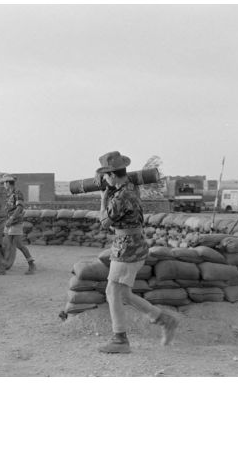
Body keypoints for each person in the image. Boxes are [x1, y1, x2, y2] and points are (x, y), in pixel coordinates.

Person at [96, 151, 179, 354]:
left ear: (113, 175)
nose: (104, 180)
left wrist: (103, 198)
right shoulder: (130, 187)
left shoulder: (121, 196)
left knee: (112, 291)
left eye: (106, 176)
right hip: (134, 245)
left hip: (127, 248)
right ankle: (164, 319)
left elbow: (104, 222)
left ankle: (120, 339)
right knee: (123, 292)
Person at [0, 174, 36, 275]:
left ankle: (32, 265)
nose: (4, 185)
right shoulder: (9, 194)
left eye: (4, 183)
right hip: (9, 222)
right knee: (7, 245)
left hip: (16, 222)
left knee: (19, 245)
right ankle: (3, 268)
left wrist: (12, 218)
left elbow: (20, 207)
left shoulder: (17, 193)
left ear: (8, 183)